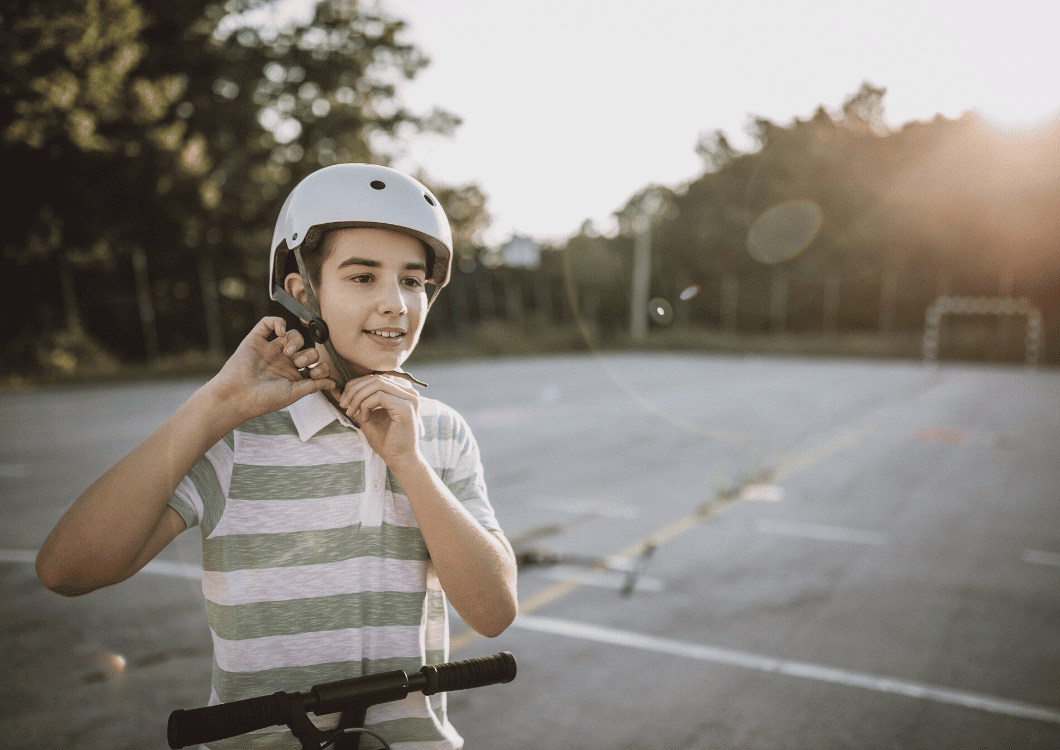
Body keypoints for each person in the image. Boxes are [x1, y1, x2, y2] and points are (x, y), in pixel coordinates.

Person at [36, 164, 519, 749]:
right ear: (303, 293)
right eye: (363, 277)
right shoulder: (241, 437)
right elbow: (68, 569)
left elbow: (493, 612)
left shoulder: (440, 434)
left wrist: (410, 464)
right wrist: (213, 406)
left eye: (412, 281)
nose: (396, 302)